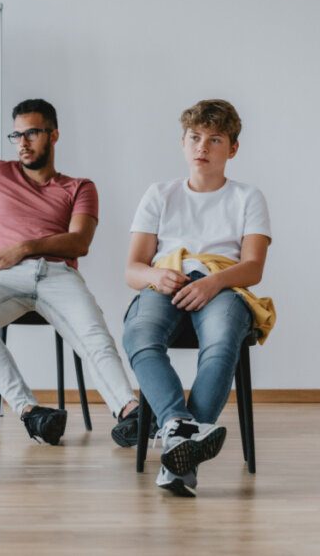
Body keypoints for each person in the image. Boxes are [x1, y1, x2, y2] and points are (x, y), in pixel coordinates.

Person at [0, 99, 141, 447]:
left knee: (95, 336)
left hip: (59, 274)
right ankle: (31, 413)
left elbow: (79, 242)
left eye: (32, 133)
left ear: (53, 135)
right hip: (6, 276)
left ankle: (129, 412)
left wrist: (25, 247)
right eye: (17, 134)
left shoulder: (80, 187)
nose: (23, 143)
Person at [122, 99, 273, 497]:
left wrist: (213, 283)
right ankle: (180, 428)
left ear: (233, 148)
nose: (202, 147)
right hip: (167, 279)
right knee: (139, 335)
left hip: (223, 284)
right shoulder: (159, 194)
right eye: (194, 138)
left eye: (215, 139)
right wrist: (157, 274)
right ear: (183, 142)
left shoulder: (248, 197)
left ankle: (177, 451)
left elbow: (254, 267)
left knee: (223, 342)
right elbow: (133, 269)